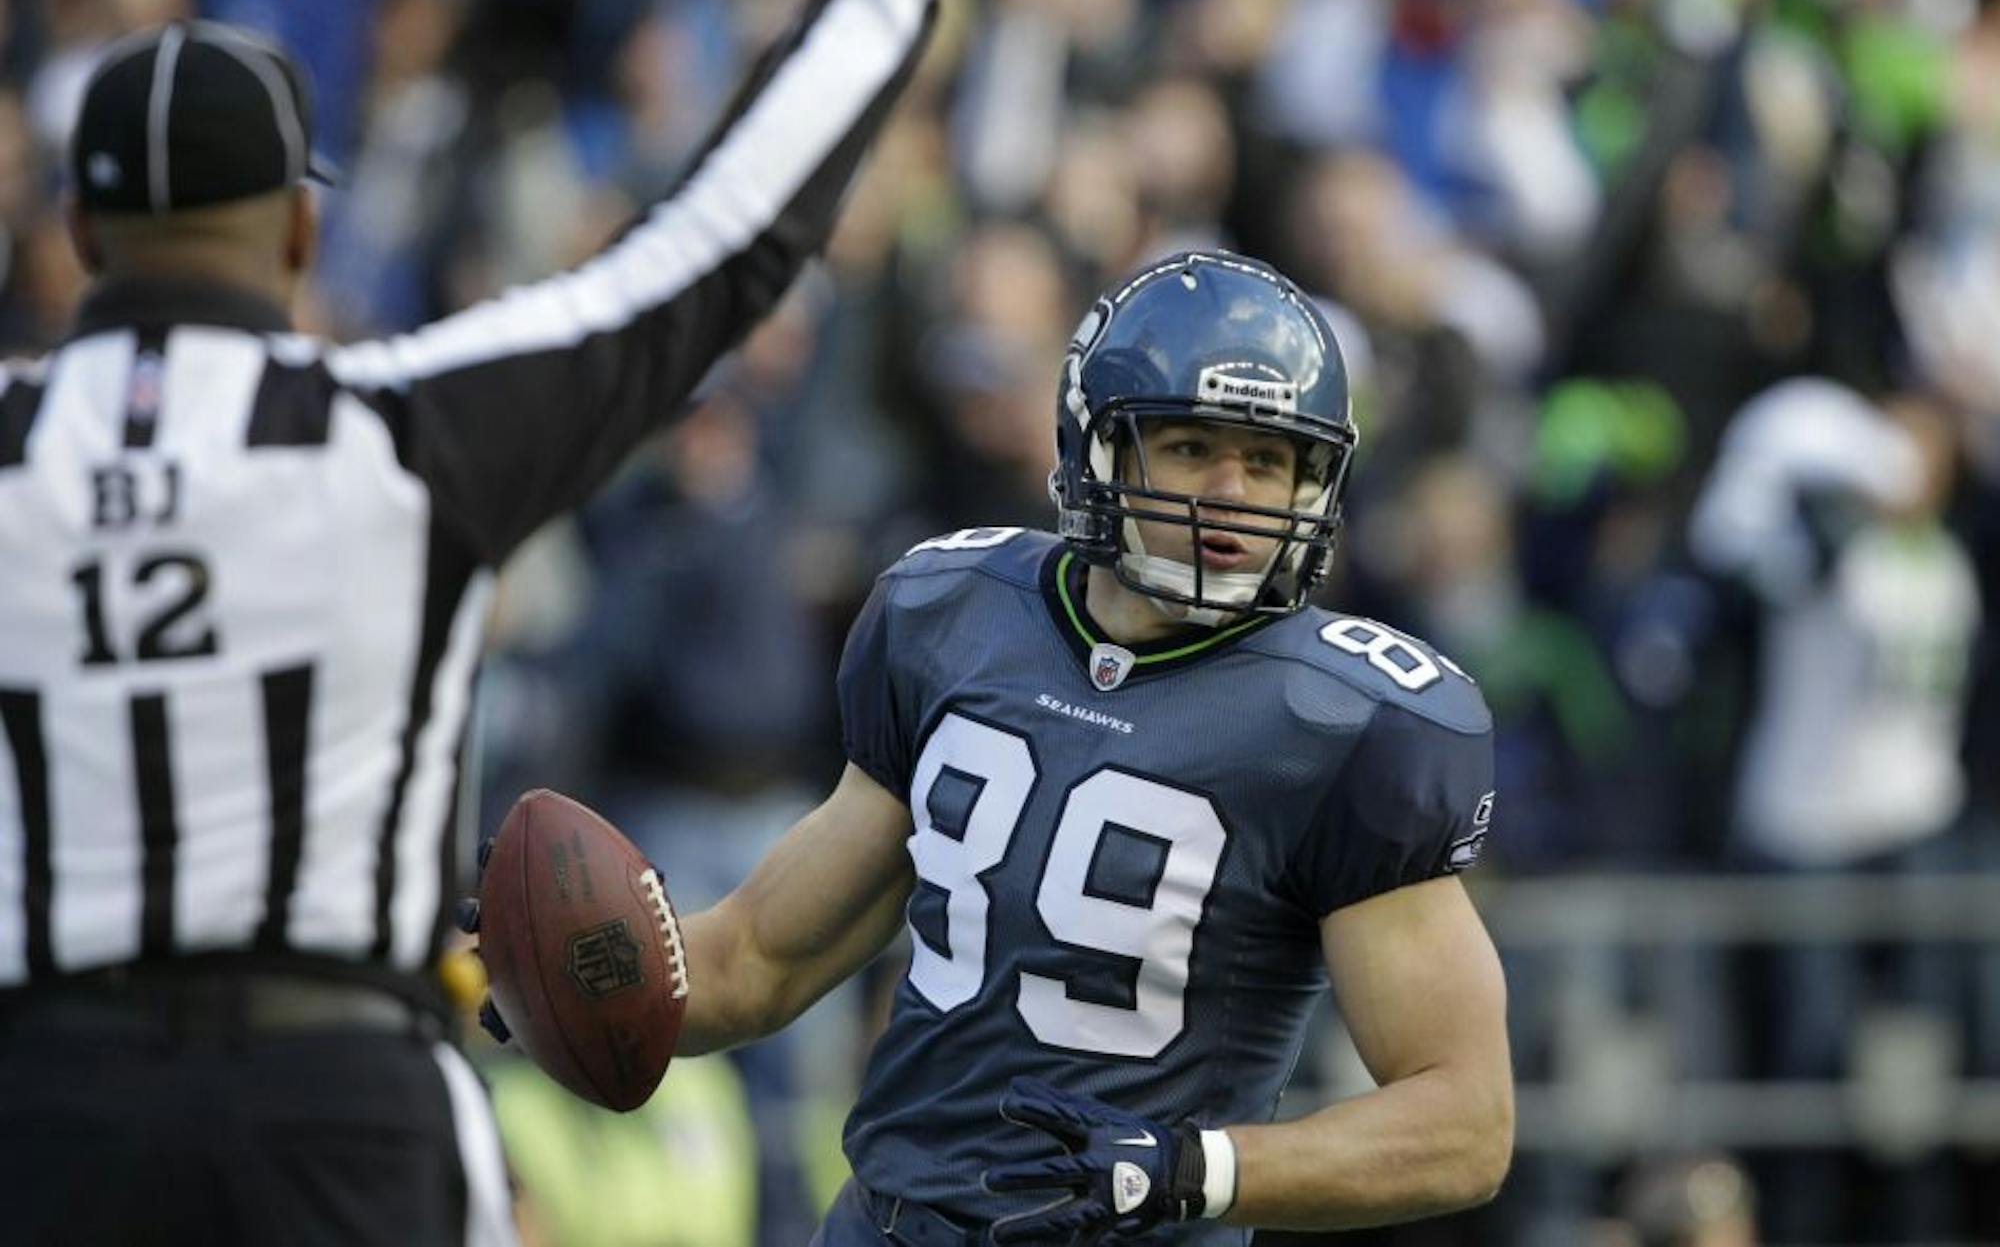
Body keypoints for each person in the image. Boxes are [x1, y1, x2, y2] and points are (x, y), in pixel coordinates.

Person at [0, 0, 967, 1243]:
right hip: (338, 1092)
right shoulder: (397, 435)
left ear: (76, 235)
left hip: (42, 1099)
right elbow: (717, 246)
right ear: (296, 234)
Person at [557, 249, 1515, 1244]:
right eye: (1192, 447)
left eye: (1270, 460)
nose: (1234, 492)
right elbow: (756, 960)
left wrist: (1201, 1168)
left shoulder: (1350, 721)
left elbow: (1464, 1121)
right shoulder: (952, 613)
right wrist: (578, 973)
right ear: (1097, 447)